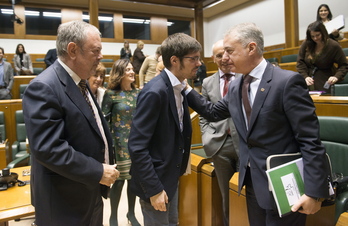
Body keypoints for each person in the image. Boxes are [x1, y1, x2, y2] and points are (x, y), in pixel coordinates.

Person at [186, 22, 330, 226]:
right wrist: (183, 86)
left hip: (285, 184)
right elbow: (212, 112)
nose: (224, 58)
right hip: (253, 182)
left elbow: (309, 140)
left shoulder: (287, 82)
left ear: (251, 48)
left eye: (229, 51)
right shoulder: (236, 85)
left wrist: (314, 192)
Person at [22, 20, 119, 226]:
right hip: (63, 203)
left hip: (87, 192)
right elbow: (49, 148)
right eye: (96, 50)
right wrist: (98, 171)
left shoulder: (81, 82)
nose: (101, 57)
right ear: (73, 50)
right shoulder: (44, 87)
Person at [128, 33, 202, 226]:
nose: (199, 63)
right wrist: (154, 189)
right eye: (193, 58)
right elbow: (137, 146)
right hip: (155, 181)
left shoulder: (178, 87)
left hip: (169, 175)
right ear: (175, 60)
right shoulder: (155, 92)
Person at [199, 39, 240, 226]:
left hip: (245, 144)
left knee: (247, 193)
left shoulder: (245, 77)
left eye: (226, 53)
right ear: (213, 59)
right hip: (220, 145)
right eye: (218, 55)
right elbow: (203, 115)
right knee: (227, 196)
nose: (224, 58)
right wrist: (207, 136)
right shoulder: (207, 82)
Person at [102, 59, 140, 226]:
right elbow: (104, 121)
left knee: (133, 180)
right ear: (119, 73)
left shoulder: (138, 93)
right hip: (118, 145)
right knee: (118, 181)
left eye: (132, 69)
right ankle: (113, 217)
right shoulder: (111, 95)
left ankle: (131, 213)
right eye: (128, 70)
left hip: (136, 144)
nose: (132, 72)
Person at [297, 21, 348, 93]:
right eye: (312, 36)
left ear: (323, 32)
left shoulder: (333, 45)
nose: (315, 38)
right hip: (307, 82)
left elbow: (344, 65)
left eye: (318, 35)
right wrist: (305, 76)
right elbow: (300, 62)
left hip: (324, 82)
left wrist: (336, 76)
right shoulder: (306, 43)